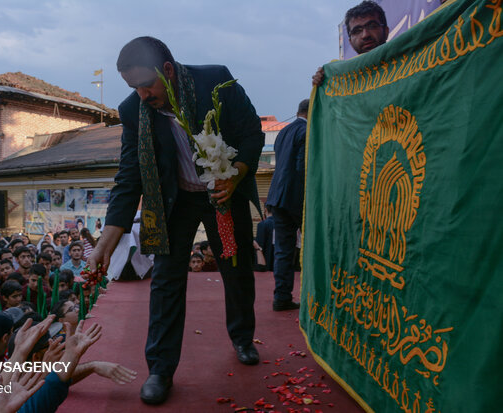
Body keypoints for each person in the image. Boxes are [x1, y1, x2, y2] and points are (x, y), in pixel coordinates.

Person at [88, 36, 264, 405]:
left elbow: (252, 133)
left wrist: (237, 174)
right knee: (165, 283)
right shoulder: (134, 111)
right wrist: (108, 238)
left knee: (236, 268)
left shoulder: (215, 82)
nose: (141, 95)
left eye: (146, 85)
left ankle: (242, 337)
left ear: (167, 71)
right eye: (133, 87)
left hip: (223, 194)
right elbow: (129, 175)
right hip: (173, 202)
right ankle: (160, 370)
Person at [265, 99, 309, 311]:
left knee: (283, 250)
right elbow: (303, 168)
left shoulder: (283, 132)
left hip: (277, 197)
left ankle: (281, 296)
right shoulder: (307, 132)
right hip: (297, 199)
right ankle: (314, 295)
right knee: (311, 247)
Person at [312, 0, 389, 86]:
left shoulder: (406, 62)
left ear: (386, 31)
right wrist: (323, 86)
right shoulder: (342, 80)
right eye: (357, 31)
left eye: (372, 26)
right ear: (350, 42)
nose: (365, 35)